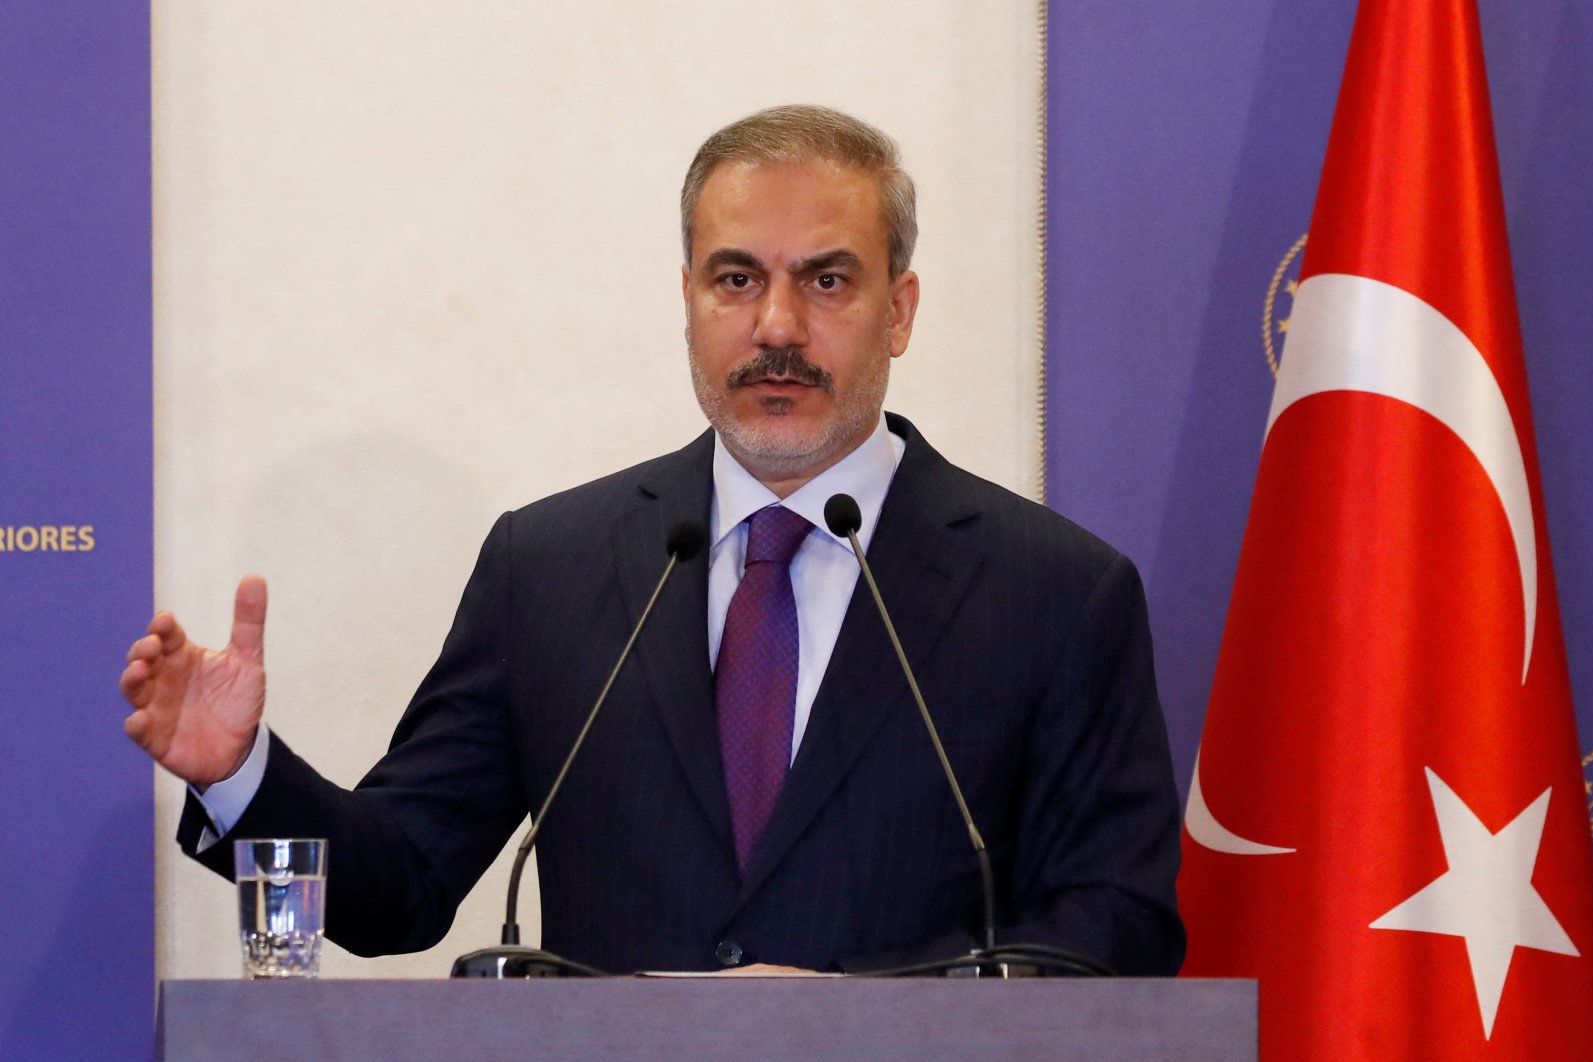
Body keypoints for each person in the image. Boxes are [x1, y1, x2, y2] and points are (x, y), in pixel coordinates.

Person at [120, 104, 1184, 975]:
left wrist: (880, 1021)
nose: (775, 326)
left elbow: (1117, 928)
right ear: (687, 302)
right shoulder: (548, 569)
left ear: (898, 310)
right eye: (735, 279)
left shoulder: (1055, 592)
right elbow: (398, 889)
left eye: (825, 280)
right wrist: (240, 775)